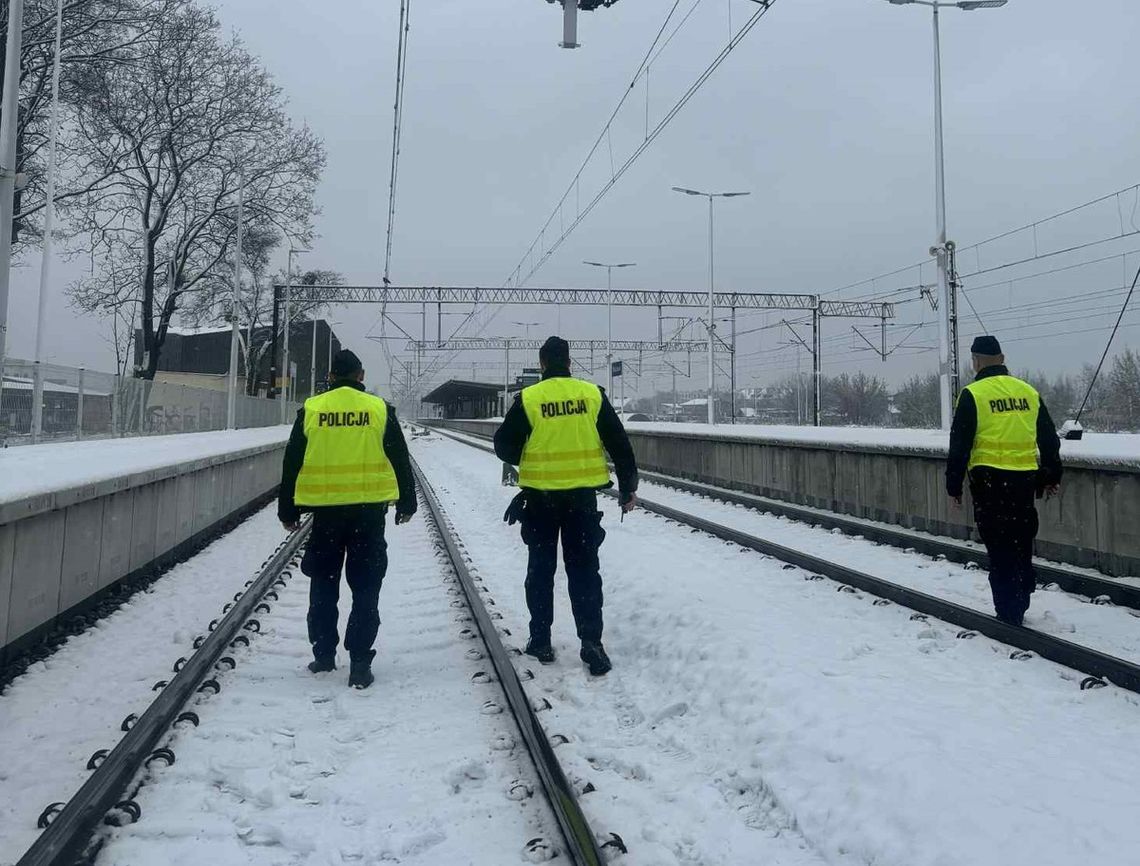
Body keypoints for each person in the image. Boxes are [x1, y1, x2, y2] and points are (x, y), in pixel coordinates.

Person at [494, 336, 638, 676]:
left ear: (542, 363)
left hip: (541, 501)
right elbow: (620, 444)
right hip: (582, 501)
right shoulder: (591, 395)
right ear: (569, 362)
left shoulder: (529, 398)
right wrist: (628, 488)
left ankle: (541, 640)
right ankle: (591, 642)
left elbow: (503, 445)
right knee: (585, 572)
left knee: (541, 570)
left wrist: (527, 457)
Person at [279, 349, 417, 689]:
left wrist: (288, 508)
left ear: (330, 376)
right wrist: (406, 503)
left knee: (324, 585)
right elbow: (400, 457)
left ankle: (324, 655)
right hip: (368, 514)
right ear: (360, 376)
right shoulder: (379, 409)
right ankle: (359, 662)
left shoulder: (312, 409)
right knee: (366, 587)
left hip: (326, 514)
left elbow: (292, 460)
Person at [946, 335, 1062, 626]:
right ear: (1002, 358)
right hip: (1024, 482)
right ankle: (1021, 593)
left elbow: (959, 443)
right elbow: (1049, 438)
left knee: (999, 546)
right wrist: (1051, 473)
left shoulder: (973, 394)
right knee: (1021, 540)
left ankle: (1008, 611)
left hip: (989, 483)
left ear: (976, 361)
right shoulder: (1028, 392)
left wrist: (953, 484)